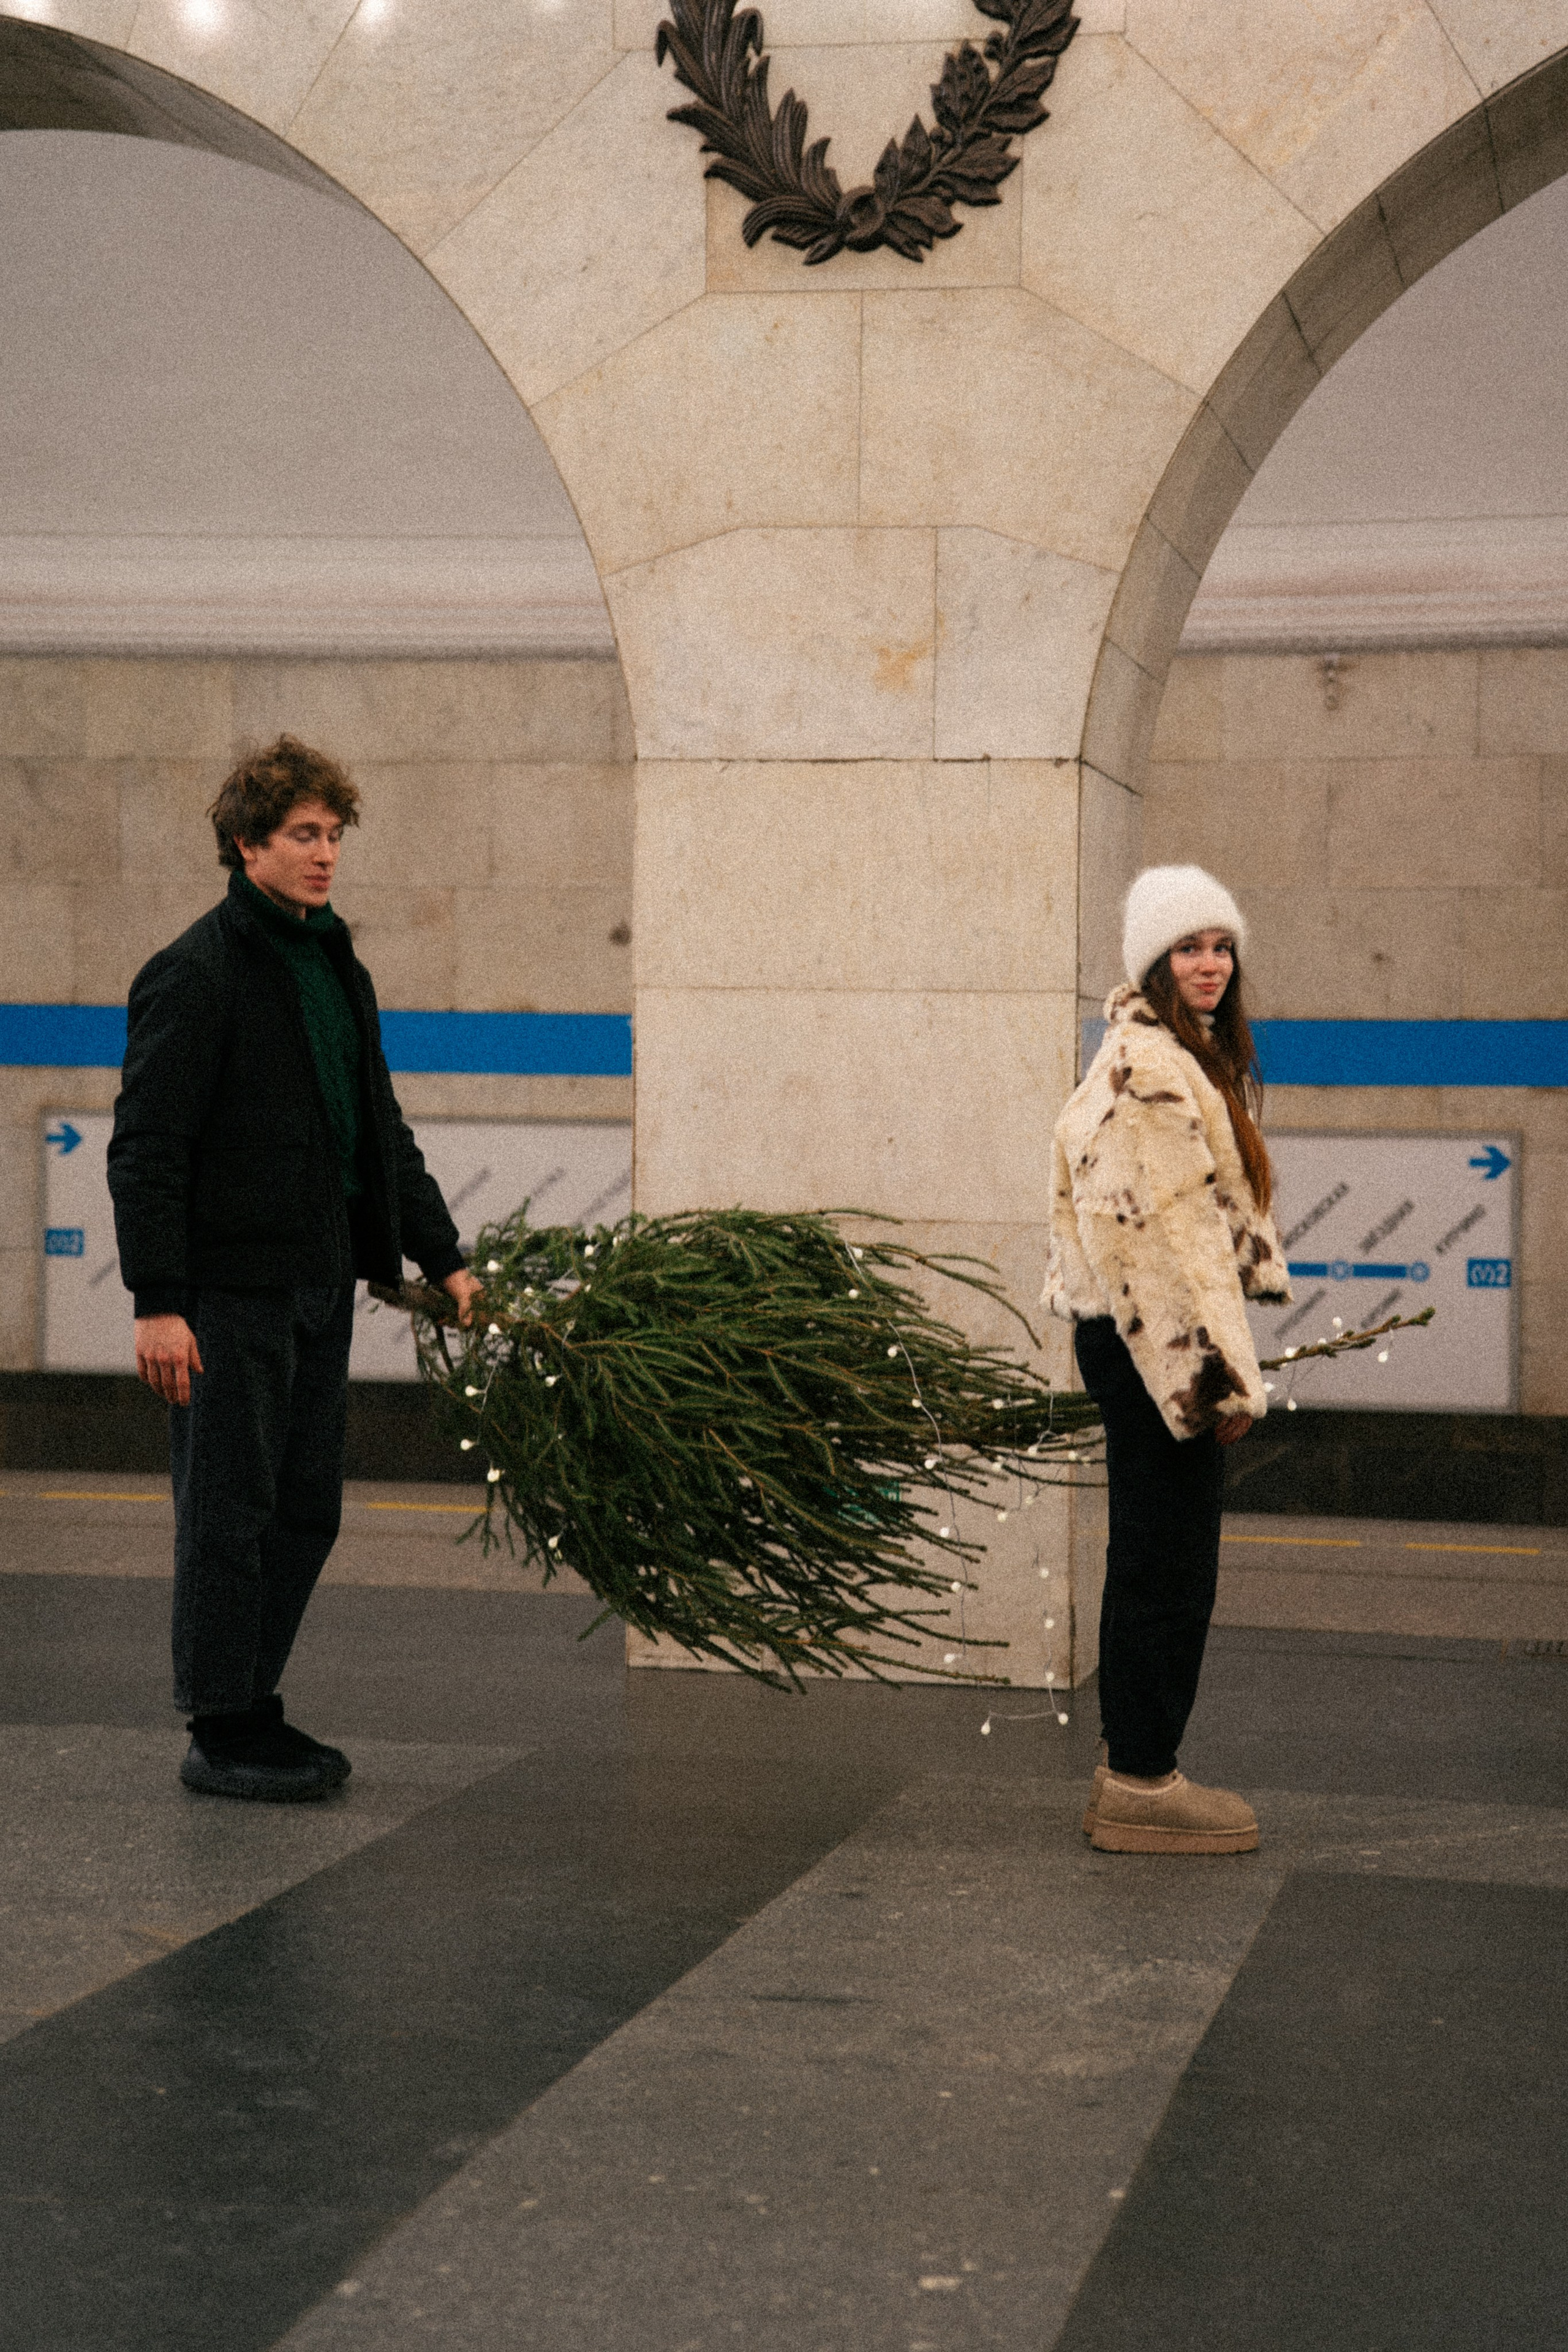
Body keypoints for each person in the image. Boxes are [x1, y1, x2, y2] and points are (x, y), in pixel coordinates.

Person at [108, 736, 483, 1803]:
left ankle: (250, 1700)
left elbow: (377, 1128)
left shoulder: (331, 963)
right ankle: (220, 1726)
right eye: (302, 835)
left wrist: (443, 1254)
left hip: (318, 1281)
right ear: (246, 845)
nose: (325, 854)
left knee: (302, 1508)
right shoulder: (197, 972)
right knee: (227, 1511)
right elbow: (148, 1147)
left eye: (333, 834)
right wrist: (158, 1303)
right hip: (228, 1295)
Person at [1044, 865, 1291, 1855]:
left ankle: (1136, 1769)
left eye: (1221, 946)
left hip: (1151, 1344)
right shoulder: (1147, 1067)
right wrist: (1212, 1383)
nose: (1210, 964)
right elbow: (1159, 1243)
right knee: (1165, 1562)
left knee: (1160, 1553)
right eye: (1188, 948)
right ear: (1151, 962)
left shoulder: (1176, 1057)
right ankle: (1142, 1781)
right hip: (1159, 1347)